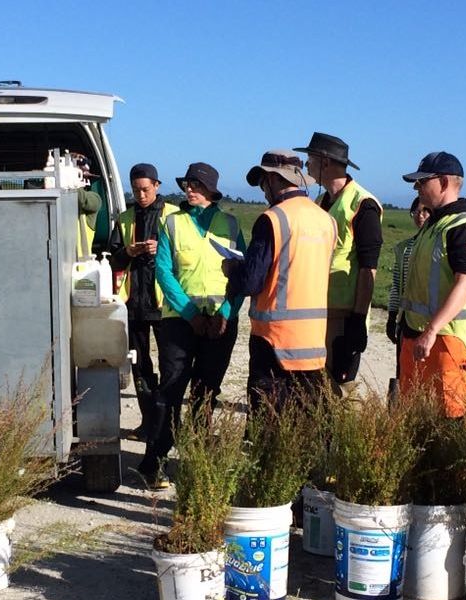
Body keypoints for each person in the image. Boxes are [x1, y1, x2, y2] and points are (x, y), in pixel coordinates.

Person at [140, 162, 245, 489]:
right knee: (169, 391)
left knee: (205, 394)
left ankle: (197, 464)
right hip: (179, 323)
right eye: (187, 184)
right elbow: (163, 272)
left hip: (219, 323)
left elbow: (241, 276)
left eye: (197, 185)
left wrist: (226, 312)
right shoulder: (172, 223)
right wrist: (190, 314)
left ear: (212, 190)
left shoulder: (230, 223)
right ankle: (153, 463)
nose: (190, 189)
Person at [226, 150, 334, 413]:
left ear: (274, 180)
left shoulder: (272, 218)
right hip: (314, 342)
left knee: (269, 422)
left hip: (274, 340)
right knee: (305, 424)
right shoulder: (326, 220)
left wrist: (232, 270)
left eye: (263, 182)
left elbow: (251, 281)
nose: (263, 191)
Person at [398, 152, 466, 417]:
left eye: (423, 182)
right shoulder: (434, 224)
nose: (417, 188)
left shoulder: (462, 226)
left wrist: (432, 328)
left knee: (451, 423)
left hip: (447, 342)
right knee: (417, 423)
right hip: (419, 338)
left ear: (444, 183)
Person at [294, 132, 383, 386]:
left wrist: (358, 318)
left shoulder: (363, 204)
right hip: (319, 308)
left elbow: (369, 268)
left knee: (339, 389)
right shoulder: (321, 201)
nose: (306, 165)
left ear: (324, 162)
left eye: (309, 159)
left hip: (344, 315)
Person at [106, 163, 180, 442]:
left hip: (165, 304)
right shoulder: (124, 219)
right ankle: (148, 423)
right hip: (134, 303)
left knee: (171, 367)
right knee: (140, 368)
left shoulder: (174, 215)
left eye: (145, 189)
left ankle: (172, 425)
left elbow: (182, 254)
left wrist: (158, 248)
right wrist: (128, 251)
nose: (140, 194)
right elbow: (113, 260)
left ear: (157, 186)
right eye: (136, 190)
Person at [386, 197, 431, 345]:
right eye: (416, 212)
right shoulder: (404, 248)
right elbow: (397, 284)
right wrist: (392, 317)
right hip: (406, 323)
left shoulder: (436, 246)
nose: (420, 216)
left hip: (431, 323)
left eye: (425, 211)